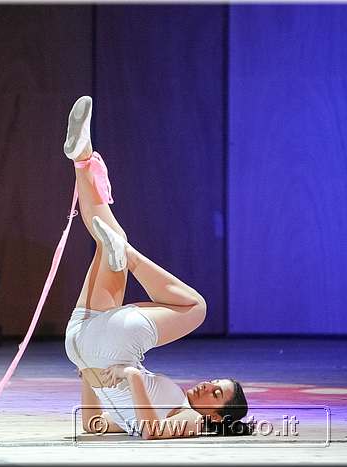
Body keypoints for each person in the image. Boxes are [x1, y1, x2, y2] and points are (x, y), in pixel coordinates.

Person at [62, 96, 250, 439]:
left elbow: (151, 432)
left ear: (218, 417)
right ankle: (82, 159)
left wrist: (131, 375)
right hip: (80, 343)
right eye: (215, 383)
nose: (207, 385)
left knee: (196, 307)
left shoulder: (195, 422)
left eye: (216, 394)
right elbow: (94, 426)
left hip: (111, 350)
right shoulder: (181, 403)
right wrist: (87, 374)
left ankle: (129, 255)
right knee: (109, 241)